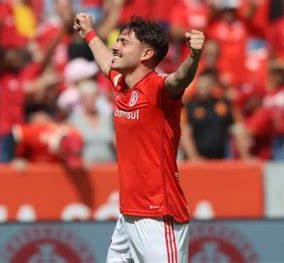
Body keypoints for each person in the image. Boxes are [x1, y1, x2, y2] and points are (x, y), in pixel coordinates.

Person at [74, 12, 205, 261]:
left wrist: (194, 56)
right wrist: (89, 33)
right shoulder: (122, 84)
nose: (115, 46)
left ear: (146, 54)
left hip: (159, 214)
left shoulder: (158, 89)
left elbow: (180, 79)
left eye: (124, 42)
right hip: (128, 213)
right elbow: (105, 63)